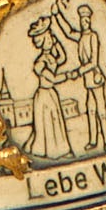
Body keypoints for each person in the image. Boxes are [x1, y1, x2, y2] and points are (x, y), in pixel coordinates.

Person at [26, 18, 73, 160]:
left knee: (55, 121)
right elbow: (52, 79)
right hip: (44, 95)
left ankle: (61, 149)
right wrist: (69, 75)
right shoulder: (40, 63)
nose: (51, 38)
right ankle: (53, 151)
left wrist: (57, 42)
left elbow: (62, 58)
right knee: (48, 123)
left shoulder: (51, 57)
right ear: (44, 40)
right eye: (49, 36)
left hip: (51, 93)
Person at [74, 4, 106, 154]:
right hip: (87, 80)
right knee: (90, 110)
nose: (84, 23)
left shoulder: (93, 37)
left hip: (95, 77)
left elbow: (94, 62)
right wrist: (57, 15)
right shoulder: (81, 37)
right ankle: (93, 141)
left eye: (87, 20)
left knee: (101, 110)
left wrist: (79, 71)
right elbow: (67, 32)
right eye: (82, 20)